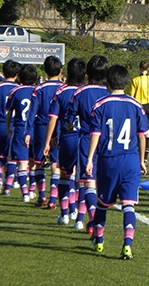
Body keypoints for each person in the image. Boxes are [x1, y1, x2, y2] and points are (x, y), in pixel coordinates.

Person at [86, 65, 149, 260]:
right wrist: (142, 160)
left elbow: (95, 134)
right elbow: (142, 135)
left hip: (108, 160)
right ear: (126, 82)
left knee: (102, 203)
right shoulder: (136, 104)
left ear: (108, 81)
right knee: (128, 204)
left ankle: (99, 240)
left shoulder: (100, 104)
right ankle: (127, 244)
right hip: (130, 160)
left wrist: (89, 159)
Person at [65, 55, 110, 233]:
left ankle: (92, 221)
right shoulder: (109, 93)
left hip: (86, 140)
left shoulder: (80, 92)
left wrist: (69, 126)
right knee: (100, 185)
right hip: (107, 143)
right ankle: (95, 221)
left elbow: (69, 119)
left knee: (89, 184)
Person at [44, 57, 87, 225]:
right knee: (83, 177)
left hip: (67, 138)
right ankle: (79, 218)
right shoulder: (87, 91)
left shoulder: (61, 92)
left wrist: (48, 141)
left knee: (64, 175)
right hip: (84, 138)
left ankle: (64, 214)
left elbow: (53, 119)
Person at [25, 56, 64, 209]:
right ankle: (53, 199)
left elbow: (31, 112)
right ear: (60, 70)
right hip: (59, 128)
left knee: (38, 162)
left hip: (41, 127)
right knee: (56, 164)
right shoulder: (64, 88)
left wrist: (28, 132)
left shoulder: (39, 89)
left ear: (45, 70)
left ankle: (41, 196)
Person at [0, 60, 21, 195]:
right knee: (11, 157)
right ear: (17, 74)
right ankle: (7, 186)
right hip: (14, 125)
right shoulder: (19, 88)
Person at [5, 64, 38, 203]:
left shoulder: (15, 91)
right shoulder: (39, 91)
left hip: (20, 130)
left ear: (19, 77)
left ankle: (24, 193)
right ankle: (32, 190)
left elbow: (9, 112)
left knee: (22, 163)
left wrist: (8, 128)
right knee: (34, 162)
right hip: (36, 130)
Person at [127, 61, 149, 164]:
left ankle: (138, 154)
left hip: (138, 106)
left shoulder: (135, 80)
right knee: (147, 133)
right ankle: (145, 157)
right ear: (148, 68)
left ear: (140, 68)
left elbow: (131, 95)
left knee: (137, 131)